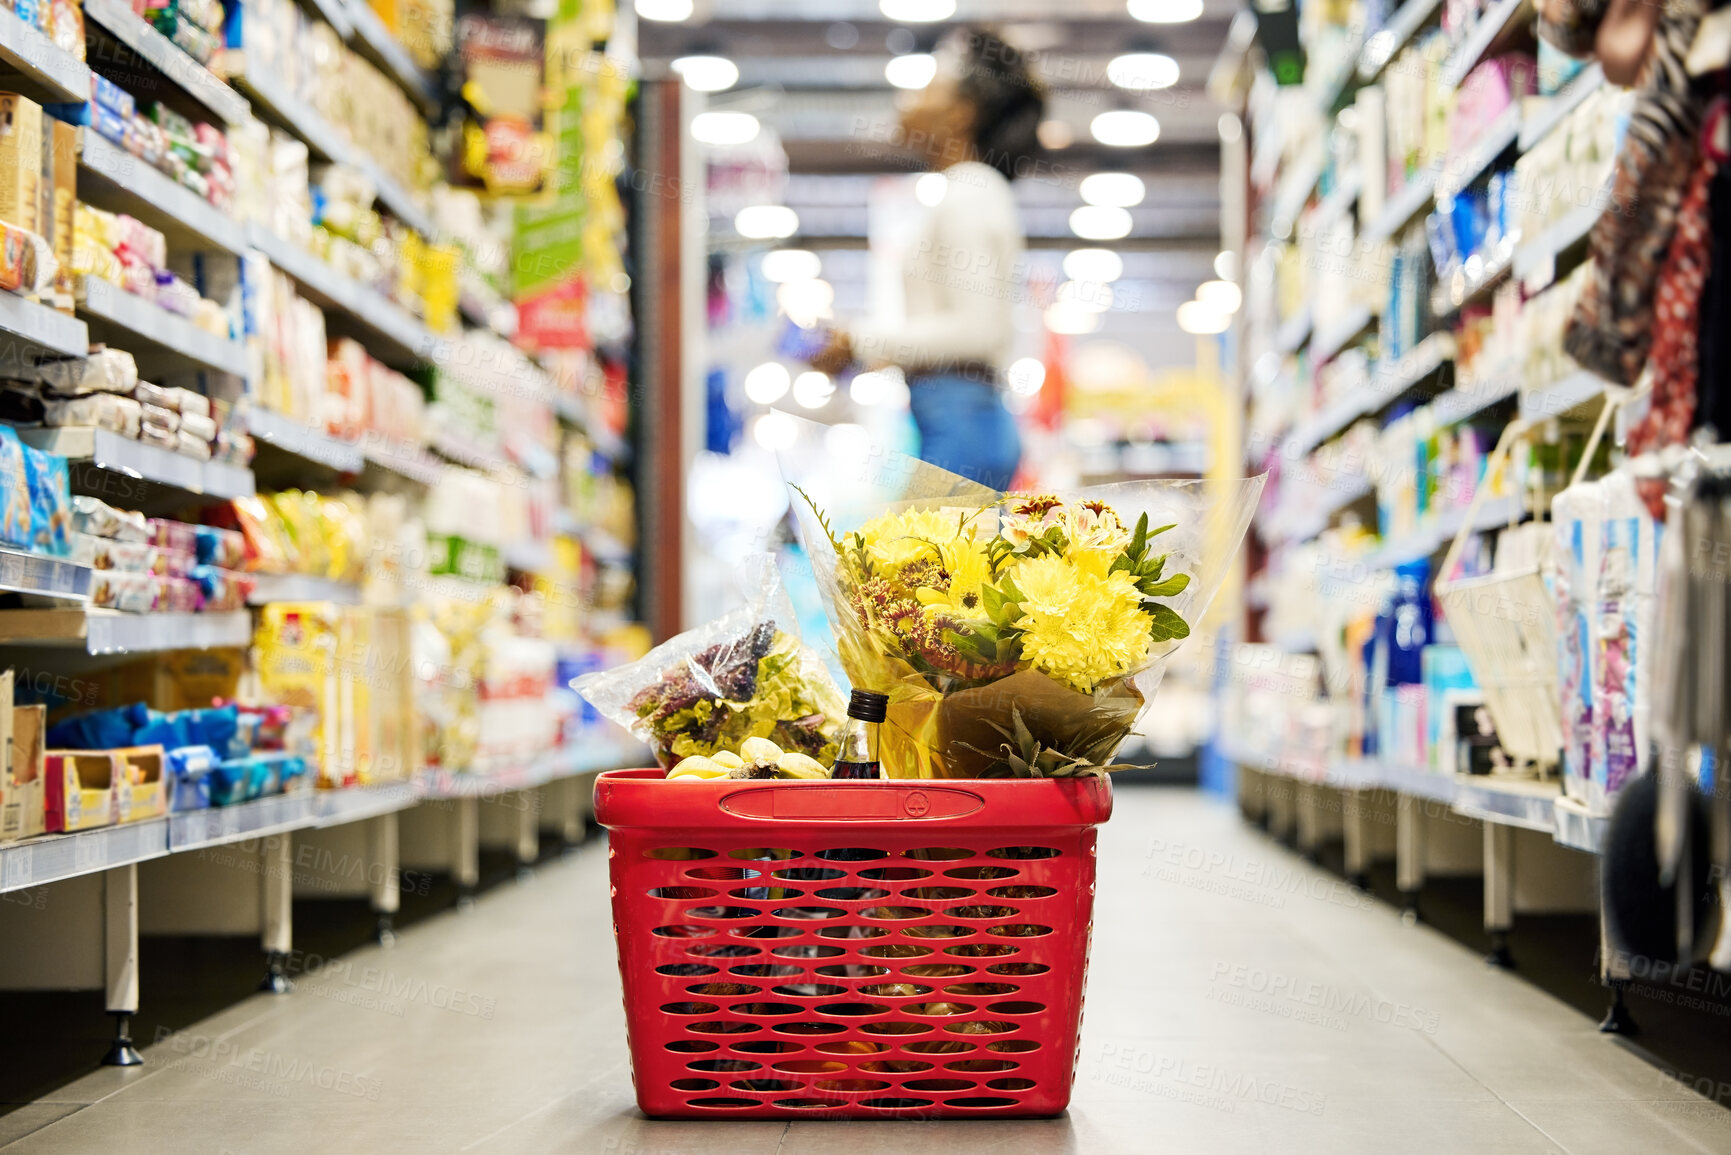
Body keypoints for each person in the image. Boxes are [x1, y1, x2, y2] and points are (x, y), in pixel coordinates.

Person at [809, 26, 1044, 490]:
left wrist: (860, 341)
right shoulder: (965, 191)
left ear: (961, 113)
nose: (908, 93)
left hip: (963, 425)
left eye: (929, 79)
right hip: (955, 420)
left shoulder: (970, 191)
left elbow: (980, 330)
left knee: (921, 561)